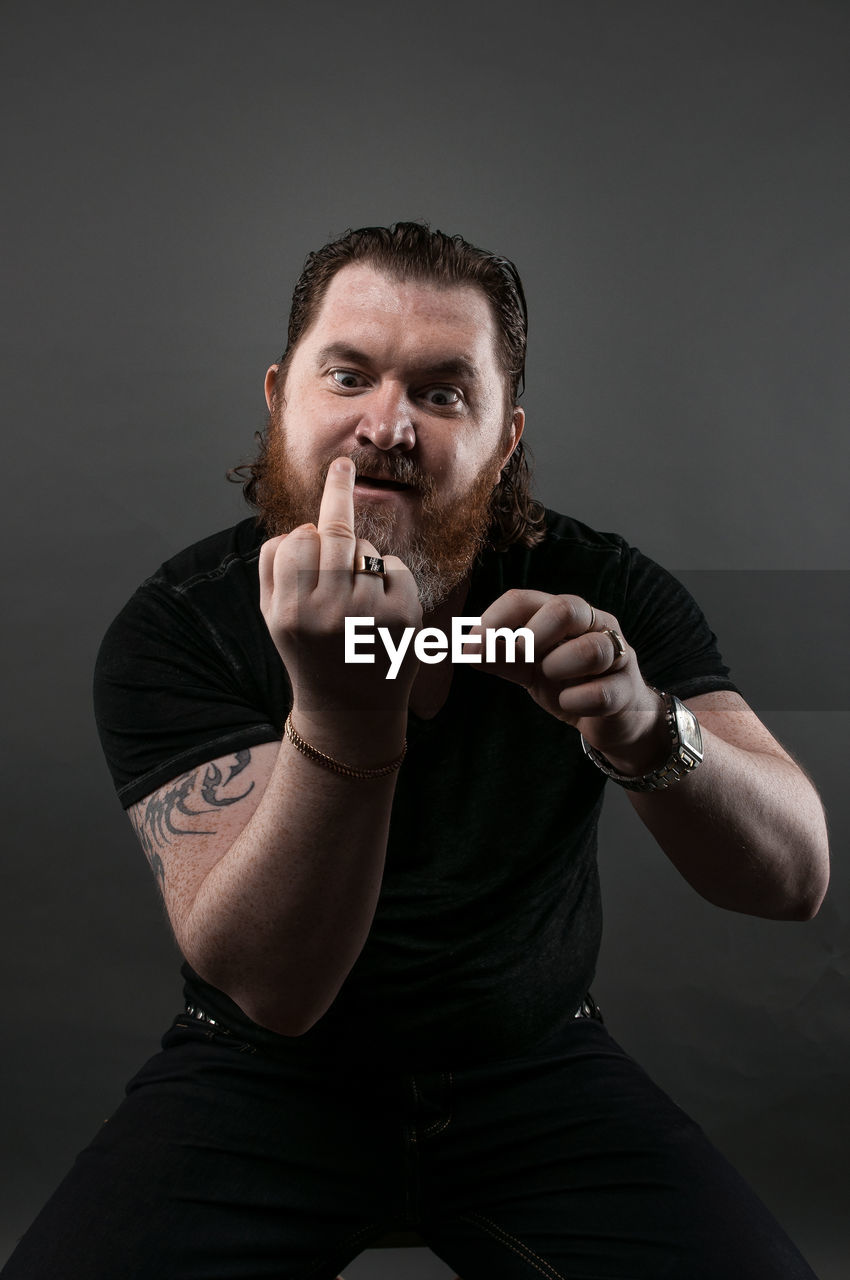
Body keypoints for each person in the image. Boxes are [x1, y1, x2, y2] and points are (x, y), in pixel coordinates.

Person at [3, 222, 829, 1279]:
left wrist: (640, 724)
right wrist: (343, 716)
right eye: (347, 375)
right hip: (261, 1076)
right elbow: (272, 985)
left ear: (506, 435)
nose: (385, 425)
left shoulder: (601, 588)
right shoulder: (181, 624)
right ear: (279, 395)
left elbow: (795, 874)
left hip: (534, 1071)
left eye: (443, 392)